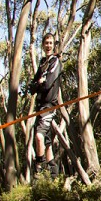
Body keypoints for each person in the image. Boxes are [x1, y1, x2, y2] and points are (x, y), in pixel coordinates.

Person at [27, 33, 62, 178]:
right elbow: (31, 88)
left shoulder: (55, 62)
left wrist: (40, 84)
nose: (48, 45)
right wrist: (38, 83)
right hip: (40, 107)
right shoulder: (43, 63)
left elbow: (47, 84)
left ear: (54, 45)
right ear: (42, 45)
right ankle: (54, 176)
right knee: (46, 143)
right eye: (46, 43)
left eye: (50, 43)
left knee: (39, 137)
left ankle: (39, 169)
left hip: (49, 106)